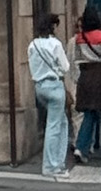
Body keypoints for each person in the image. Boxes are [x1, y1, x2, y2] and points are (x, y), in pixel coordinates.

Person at [27, 12, 72, 180]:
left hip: (39, 86)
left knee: (60, 123)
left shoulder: (33, 45)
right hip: (54, 86)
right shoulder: (55, 44)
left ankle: (57, 163)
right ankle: (52, 165)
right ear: (52, 27)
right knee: (55, 126)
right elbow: (65, 66)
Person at [72, 5, 101, 164]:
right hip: (100, 77)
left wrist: (77, 79)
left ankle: (80, 147)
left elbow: (76, 60)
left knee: (88, 115)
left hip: (85, 76)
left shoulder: (79, 38)